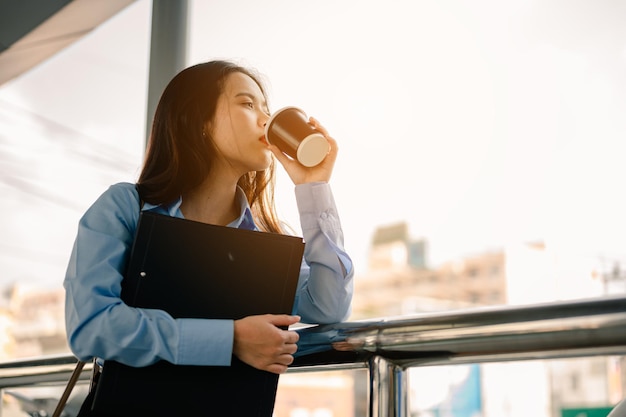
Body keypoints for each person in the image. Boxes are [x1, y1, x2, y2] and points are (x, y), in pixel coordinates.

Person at [63, 60, 354, 415]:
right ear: (198, 121)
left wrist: (313, 186)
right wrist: (229, 340)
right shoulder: (126, 207)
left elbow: (328, 307)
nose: (267, 120)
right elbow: (91, 328)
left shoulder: (262, 242)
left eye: (266, 108)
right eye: (248, 104)